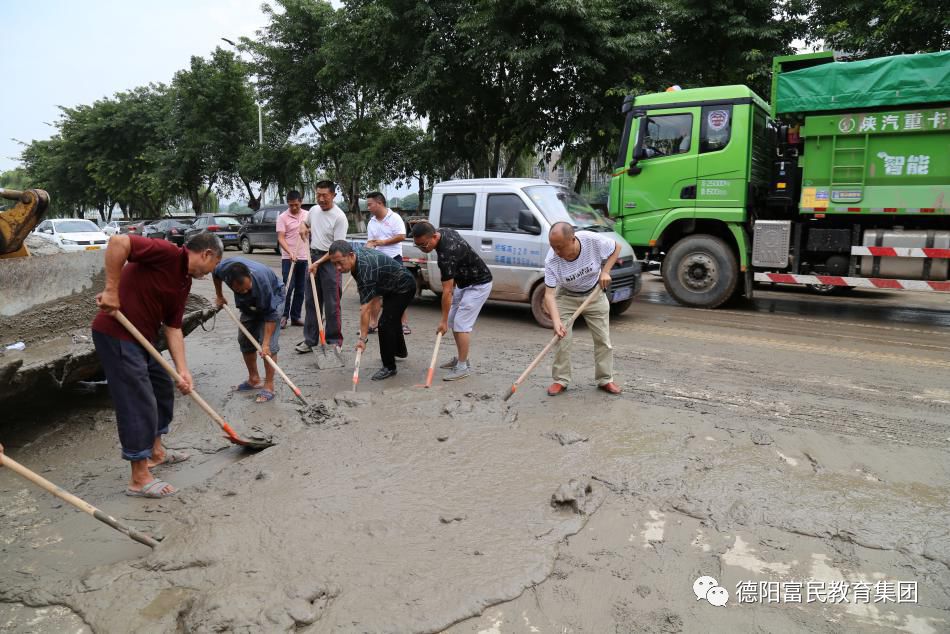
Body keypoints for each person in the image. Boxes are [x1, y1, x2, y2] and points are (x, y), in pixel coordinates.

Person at [92, 232, 223, 498]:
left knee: (162, 385)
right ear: (207, 254)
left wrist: (182, 370)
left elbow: (173, 327)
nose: (211, 273)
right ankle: (139, 477)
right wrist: (111, 290)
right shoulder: (166, 253)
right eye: (214, 266)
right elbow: (119, 242)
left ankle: (155, 451)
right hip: (116, 334)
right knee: (137, 399)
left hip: (143, 339)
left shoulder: (184, 283)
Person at [543, 222, 622, 396]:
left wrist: (605, 271)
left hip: (594, 294)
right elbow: (549, 295)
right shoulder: (552, 260)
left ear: (572, 240)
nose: (556, 251)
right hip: (566, 296)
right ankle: (560, 380)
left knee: (603, 339)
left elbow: (617, 247)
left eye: (560, 247)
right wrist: (556, 322)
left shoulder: (591, 240)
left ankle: (605, 379)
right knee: (561, 338)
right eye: (553, 246)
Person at [410, 221, 493, 381]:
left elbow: (447, 291)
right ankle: (461, 358)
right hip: (464, 282)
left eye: (424, 245)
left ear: (434, 236)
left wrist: (443, 321)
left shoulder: (446, 255)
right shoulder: (443, 231)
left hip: (478, 284)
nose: (422, 249)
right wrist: (447, 319)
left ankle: (462, 367)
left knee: (461, 324)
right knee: (454, 320)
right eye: (418, 246)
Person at [327, 240, 415, 380]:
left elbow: (365, 309)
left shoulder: (365, 269)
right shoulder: (353, 251)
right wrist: (318, 263)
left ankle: (389, 367)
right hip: (389, 285)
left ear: (350, 255)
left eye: (340, 263)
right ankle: (399, 351)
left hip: (404, 287)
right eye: (334, 264)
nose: (337, 267)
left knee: (385, 324)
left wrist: (363, 339)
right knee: (391, 318)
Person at [213, 257, 285, 403]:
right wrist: (220, 296)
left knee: (269, 346)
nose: (245, 290)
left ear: (249, 277)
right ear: (231, 283)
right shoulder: (223, 269)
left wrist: (264, 344)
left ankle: (269, 386)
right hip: (248, 304)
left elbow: (270, 316)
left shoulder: (261, 283)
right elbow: (215, 274)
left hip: (274, 297)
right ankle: (254, 379)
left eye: (247, 287)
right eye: (240, 290)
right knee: (244, 340)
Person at [297, 180, 347, 353]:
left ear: (333, 195)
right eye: (318, 194)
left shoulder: (339, 217)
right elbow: (306, 223)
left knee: (332, 304)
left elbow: (337, 249)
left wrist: (319, 263)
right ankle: (310, 340)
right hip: (313, 258)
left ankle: (334, 342)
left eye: (325, 195)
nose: (321, 198)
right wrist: (303, 226)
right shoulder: (314, 210)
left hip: (331, 261)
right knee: (311, 301)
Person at [364, 191, 410, 335]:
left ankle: (403, 324)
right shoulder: (371, 222)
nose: (368, 207)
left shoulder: (394, 217)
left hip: (394, 259)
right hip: (377, 261)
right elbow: (371, 241)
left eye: (370, 204)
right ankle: (373, 323)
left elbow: (402, 236)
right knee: (376, 294)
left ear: (379, 203)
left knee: (398, 292)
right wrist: (369, 247)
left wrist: (383, 242)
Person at [276, 190, 309, 329]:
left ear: (300, 202)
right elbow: (281, 238)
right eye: (291, 205)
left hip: (304, 257)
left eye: (296, 204)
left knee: (301, 289)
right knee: (288, 288)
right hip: (289, 258)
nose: (294, 207)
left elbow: (312, 230)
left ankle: (296, 317)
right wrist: (289, 252)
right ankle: (284, 316)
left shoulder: (307, 215)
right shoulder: (282, 217)